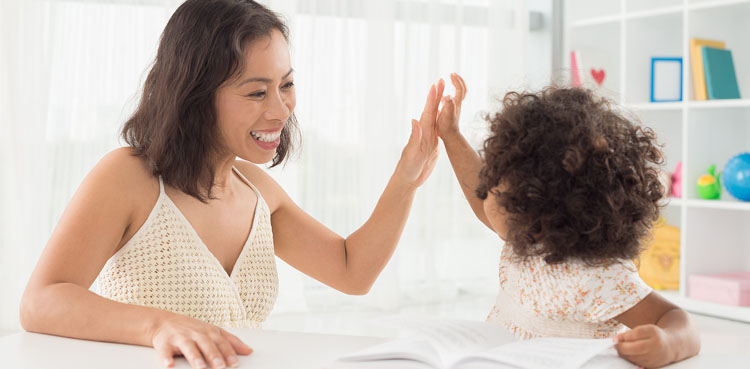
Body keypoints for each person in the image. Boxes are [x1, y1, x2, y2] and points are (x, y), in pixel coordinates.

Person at [19, 1, 446, 369]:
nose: (281, 110)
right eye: (257, 93)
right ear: (195, 96)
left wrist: (405, 179)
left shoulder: (258, 191)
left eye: (287, 85)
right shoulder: (128, 178)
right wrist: (158, 324)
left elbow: (354, 272)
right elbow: (42, 302)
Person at [436, 74, 700, 368]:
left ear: (538, 206)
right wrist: (451, 135)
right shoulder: (525, 237)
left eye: (496, 187)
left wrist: (668, 343)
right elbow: (480, 200)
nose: (486, 191)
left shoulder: (599, 276)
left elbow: (676, 320)